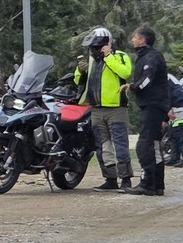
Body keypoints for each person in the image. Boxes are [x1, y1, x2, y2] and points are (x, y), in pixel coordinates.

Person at [70, 26, 134, 191]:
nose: (95, 50)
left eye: (98, 47)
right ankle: (110, 179)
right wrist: (80, 70)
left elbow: (125, 73)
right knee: (102, 146)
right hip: (97, 109)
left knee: (120, 144)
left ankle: (125, 179)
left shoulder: (120, 56)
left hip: (116, 108)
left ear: (107, 44)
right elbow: (78, 82)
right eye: (93, 47)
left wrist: (108, 57)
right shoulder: (92, 61)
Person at [124, 25, 170, 196]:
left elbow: (146, 81)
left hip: (153, 105)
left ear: (142, 40)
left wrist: (132, 87)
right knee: (155, 145)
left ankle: (147, 184)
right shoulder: (147, 56)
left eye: (134, 37)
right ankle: (157, 185)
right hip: (155, 105)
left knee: (144, 145)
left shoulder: (151, 57)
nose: (132, 40)